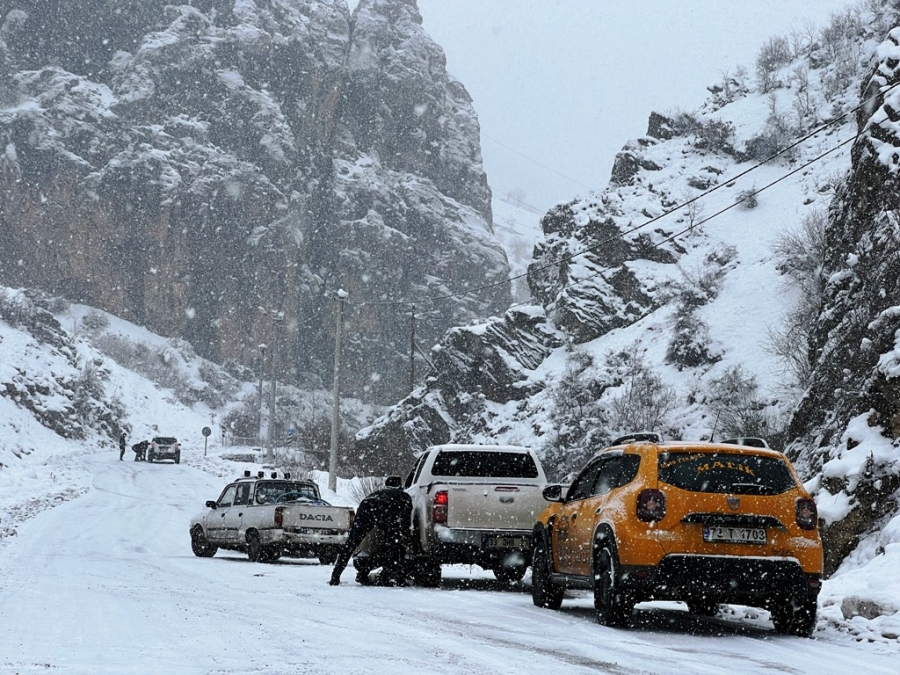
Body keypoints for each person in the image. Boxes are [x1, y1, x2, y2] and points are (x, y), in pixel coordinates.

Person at [329, 476, 412, 587]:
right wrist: (404, 534)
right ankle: (396, 577)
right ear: (400, 486)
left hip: (366, 506)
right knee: (396, 544)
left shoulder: (376, 493)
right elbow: (405, 521)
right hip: (386, 510)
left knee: (351, 543)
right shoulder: (404, 496)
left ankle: (335, 576)